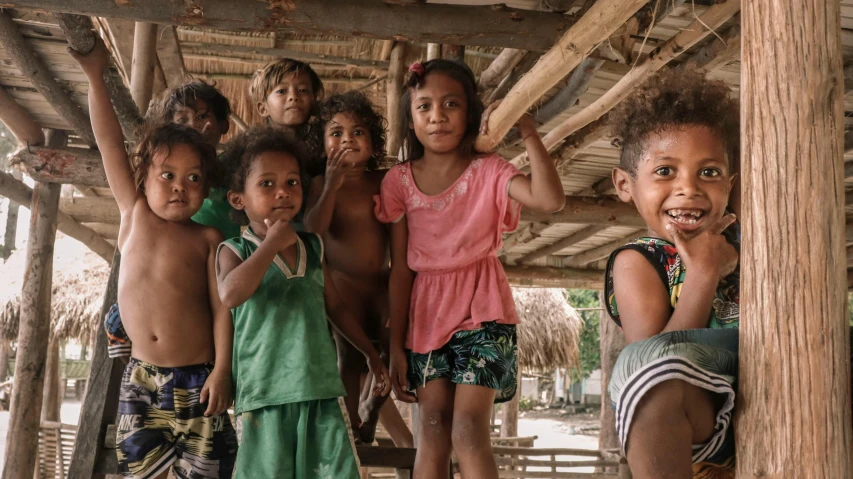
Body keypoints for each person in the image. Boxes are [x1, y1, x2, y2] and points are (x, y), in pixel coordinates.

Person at [374, 59, 565, 478]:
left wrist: (528, 132)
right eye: (424, 106)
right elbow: (402, 269)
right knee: (432, 429)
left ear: (471, 113)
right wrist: (395, 345)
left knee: (467, 430)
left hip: (484, 311)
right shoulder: (398, 182)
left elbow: (550, 200)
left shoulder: (489, 171)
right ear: (410, 116)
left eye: (450, 104)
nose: (437, 116)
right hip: (425, 317)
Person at [70, 39, 237, 479]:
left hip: (199, 382)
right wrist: (93, 76)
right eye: (167, 175)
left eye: (193, 178)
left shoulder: (208, 237)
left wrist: (222, 371)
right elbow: (108, 142)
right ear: (143, 176)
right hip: (141, 382)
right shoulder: (134, 214)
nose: (180, 186)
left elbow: (222, 310)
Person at [215, 127, 391, 478]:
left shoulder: (313, 247)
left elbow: (336, 307)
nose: (282, 191)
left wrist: (371, 355)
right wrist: (270, 245)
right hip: (264, 393)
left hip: (319, 388)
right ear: (239, 199)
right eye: (266, 184)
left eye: (292, 182)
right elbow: (231, 294)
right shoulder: (235, 250)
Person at [605, 69, 740, 479]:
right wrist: (702, 273)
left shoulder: (761, 247)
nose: (690, 188)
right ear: (625, 185)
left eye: (709, 172)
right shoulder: (639, 261)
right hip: (702, 419)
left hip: (789, 391)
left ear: (731, 185)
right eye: (665, 171)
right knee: (644, 368)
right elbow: (654, 365)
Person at [304, 91, 414, 446]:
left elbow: (399, 243)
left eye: (358, 132)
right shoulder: (321, 184)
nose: (347, 140)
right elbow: (313, 228)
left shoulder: (384, 181)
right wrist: (332, 186)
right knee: (349, 357)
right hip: (342, 284)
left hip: (380, 281)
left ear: (374, 143)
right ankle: (351, 426)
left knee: (397, 345)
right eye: (336, 133)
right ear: (322, 146)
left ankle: (372, 407)